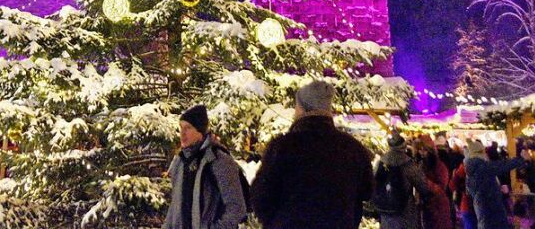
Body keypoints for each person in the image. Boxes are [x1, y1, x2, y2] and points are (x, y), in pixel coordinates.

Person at [249, 80, 373, 229]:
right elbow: (367, 192)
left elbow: (260, 196)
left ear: (302, 109)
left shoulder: (283, 147)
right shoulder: (353, 148)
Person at [163, 103, 246, 229]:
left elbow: (236, 208)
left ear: (200, 132)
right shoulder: (180, 161)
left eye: (188, 128)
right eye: (181, 128)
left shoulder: (219, 160)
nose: (182, 133)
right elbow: (175, 207)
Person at [373, 133, 434, 229]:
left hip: (385, 208)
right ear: (403, 146)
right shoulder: (407, 163)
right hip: (404, 209)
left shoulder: (381, 162)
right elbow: (422, 184)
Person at [464, 138, 525, 229]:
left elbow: (472, 190)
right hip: (491, 210)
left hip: (482, 208)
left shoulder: (471, 170)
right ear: (480, 152)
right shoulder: (481, 166)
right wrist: (521, 159)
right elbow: (503, 166)